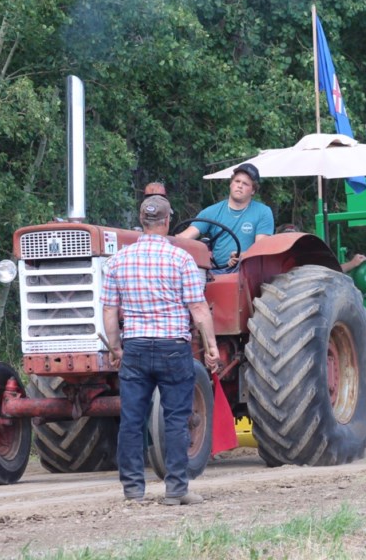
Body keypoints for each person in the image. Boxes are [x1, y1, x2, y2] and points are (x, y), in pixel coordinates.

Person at [100, 195, 221, 505]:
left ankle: (133, 490)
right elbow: (198, 309)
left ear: (143, 221)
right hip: (173, 348)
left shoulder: (118, 261)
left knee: (132, 419)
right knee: (176, 419)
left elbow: (110, 311)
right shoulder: (181, 260)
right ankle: (176, 489)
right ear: (168, 221)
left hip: (136, 348)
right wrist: (211, 348)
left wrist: (115, 348)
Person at [177, 163, 274, 271]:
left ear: (253, 190)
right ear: (231, 184)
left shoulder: (263, 212)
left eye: (245, 184)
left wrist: (241, 255)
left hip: (246, 274)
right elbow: (184, 238)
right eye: (237, 181)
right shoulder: (211, 211)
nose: (240, 186)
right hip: (215, 274)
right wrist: (167, 241)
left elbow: (261, 249)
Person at [275, 223, 366, 273]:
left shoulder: (304, 259)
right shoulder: (271, 260)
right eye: (285, 239)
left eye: (293, 238)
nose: (290, 243)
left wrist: (353, 263)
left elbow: (328, 271)